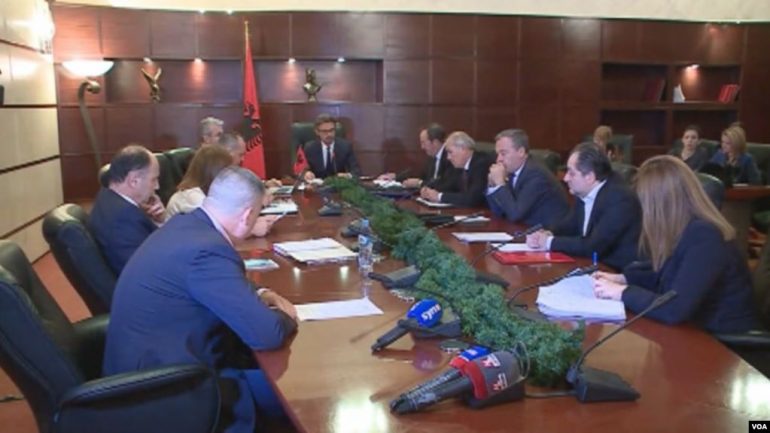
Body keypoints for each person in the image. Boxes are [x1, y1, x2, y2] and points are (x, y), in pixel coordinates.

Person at [103, 167, 298, 433]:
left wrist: (261, 293)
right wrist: (287, 316)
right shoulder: (208, 250)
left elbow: (215, 282)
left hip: (144, 367)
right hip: (168, 390)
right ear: (247, 215)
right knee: (292, 393)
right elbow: (267, 334)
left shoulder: (187, 225)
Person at [593, 156, 757, 333]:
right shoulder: (687, 228)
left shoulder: (705, 235)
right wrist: (623, 279)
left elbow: (673, 308)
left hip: (723, 341)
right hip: (696, 330)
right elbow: (667, 276)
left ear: (659, 205)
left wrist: (622, 292)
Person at [527, 143, 641, 270]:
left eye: (571, 173)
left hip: (616, 271)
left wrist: (549, 242)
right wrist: (548, 233)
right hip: (591, 265)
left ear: (589, 177)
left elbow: (594, 246)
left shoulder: (619, 198)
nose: (565, 178)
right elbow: (570, 225)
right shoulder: (584, 191)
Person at [165, 145, 280, 236]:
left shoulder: (208, 191)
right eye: (228, 171)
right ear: (215, 172)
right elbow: (217, 229)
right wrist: (252, 229)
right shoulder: (191, 196)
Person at [89, 144, 165, 274]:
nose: (157, 186)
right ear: (134, 181)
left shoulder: (107, 198)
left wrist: (158, 220)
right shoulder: (124, 218)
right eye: (154, 180)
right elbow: (150, 268)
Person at [486, 129, 569, 227]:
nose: (498, 159)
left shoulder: (536, 174)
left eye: (503, 153)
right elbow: (498, 212)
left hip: (550, 231)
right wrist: (493, 184)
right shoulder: (511, 171)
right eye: (497, 154)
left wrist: (500, 184)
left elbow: (515, 214)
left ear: (521, 152)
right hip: (524, 229)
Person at [419, 131, 493, 207]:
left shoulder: (481, 164)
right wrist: (428, 190)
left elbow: (472, 198)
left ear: (463, 148)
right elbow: (447, 185)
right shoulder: (459, 166)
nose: (448, 157)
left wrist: (439, 196)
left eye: (450, 152)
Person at [378, 123, 452, 189]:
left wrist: (419, 183)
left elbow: (444, 185)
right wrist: (395, 177)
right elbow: (418, 174)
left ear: (435, 142)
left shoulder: (450, 158)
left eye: (423, 143)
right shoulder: (432, 158)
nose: (422, 147)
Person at [303, 113, 361, 180]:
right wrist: (306, 173)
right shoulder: (310, 148)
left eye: (331, 130)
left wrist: (347, 175)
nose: (329, 134)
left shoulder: (345, 147)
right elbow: (301, 170)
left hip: (338, 184)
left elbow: (356, 171)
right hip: (317, 185)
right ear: (317, 132)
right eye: (325, 131)